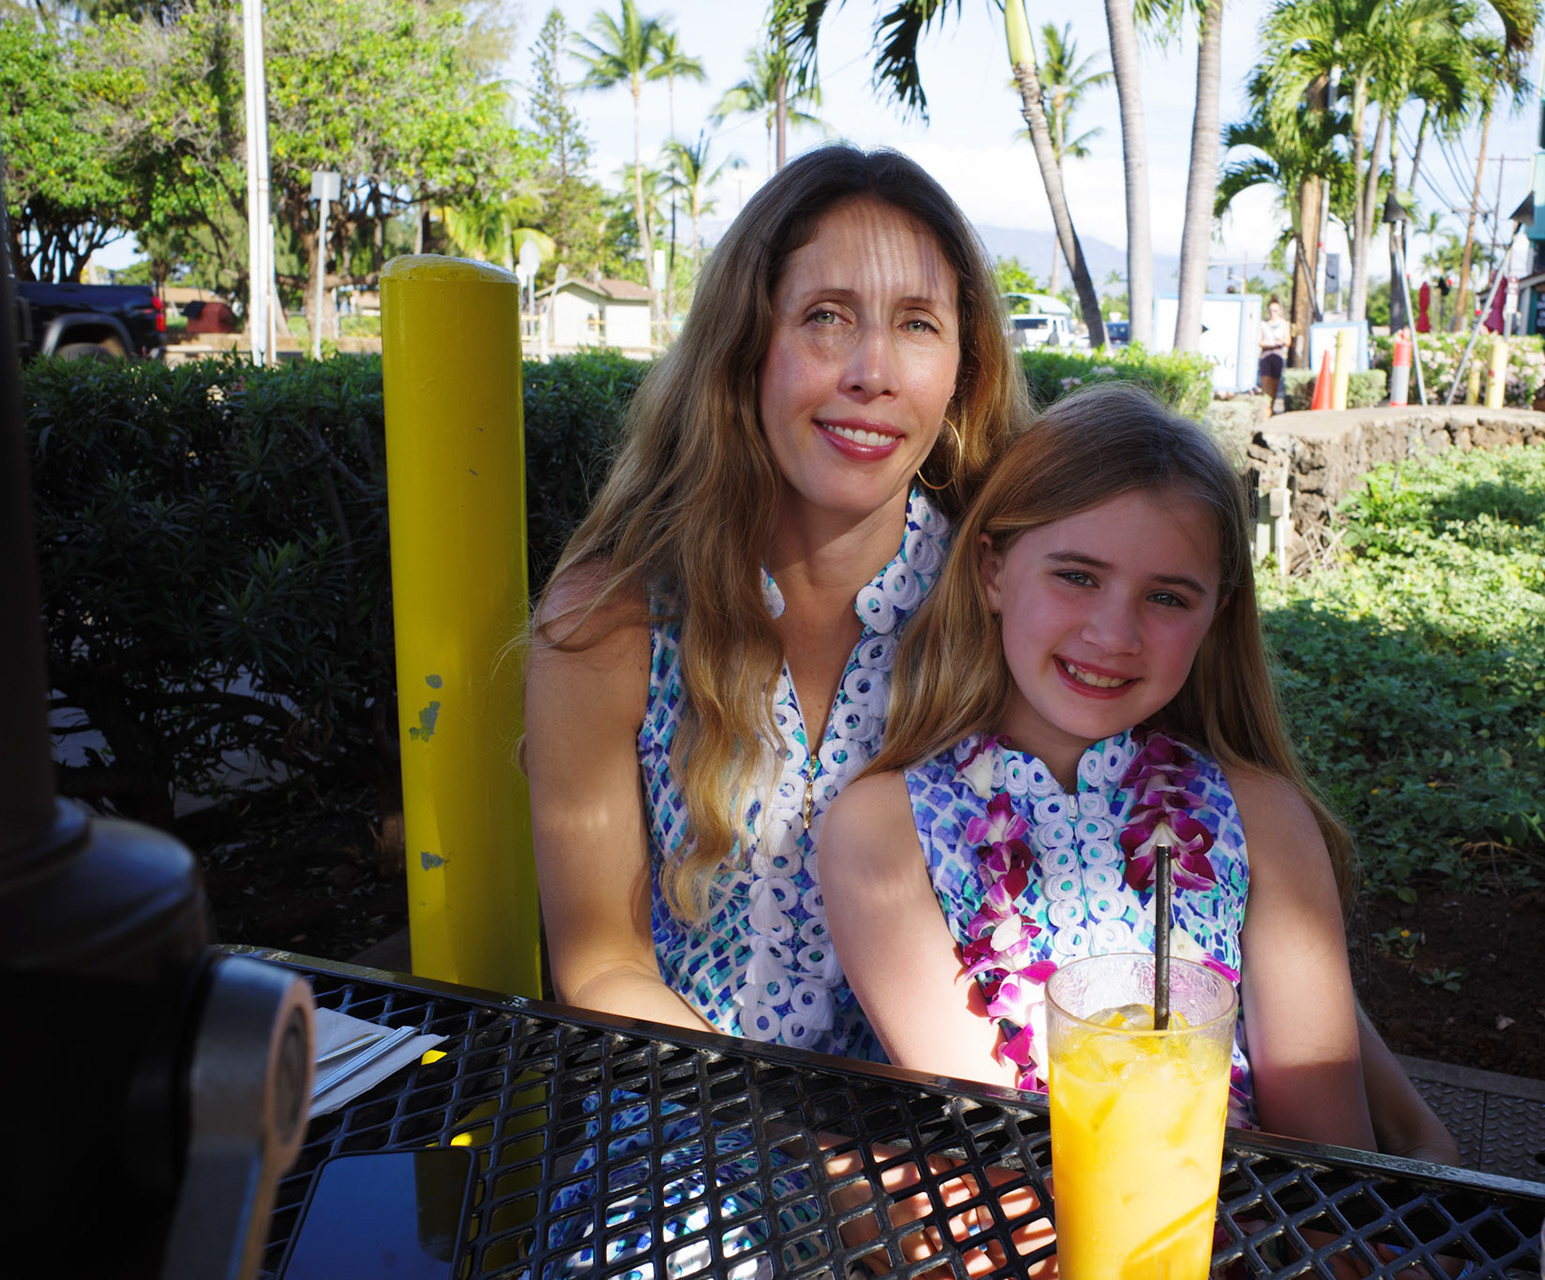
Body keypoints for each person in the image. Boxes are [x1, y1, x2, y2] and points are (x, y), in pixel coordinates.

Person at [526, 141, 1453, 1177]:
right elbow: (602, 962)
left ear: (962, 367)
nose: (871, 371)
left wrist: (1402, 1125)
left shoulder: (1015, 584)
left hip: (965, 1164)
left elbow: (1210, 864)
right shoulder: (614, 620)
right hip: (692, 1134)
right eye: (826, 316)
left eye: (916, 324)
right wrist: (813, 1161)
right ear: (749, 346)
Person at [820, 382, 1370, 1148]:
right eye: (1077, 576)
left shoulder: (1263, 820)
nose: (1114, 634)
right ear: (993, 573)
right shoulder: (883, 835)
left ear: (1215, 615)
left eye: (1168, 598)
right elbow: (1004, 1156)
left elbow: (1331, 1161)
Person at [1257, 297, 1291, 415]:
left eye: (1276, 310)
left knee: (1275, 384)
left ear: (1280, 311)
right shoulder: (1263, 324)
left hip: (1277, 354)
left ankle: (1271, 408)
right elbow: (1259, 341)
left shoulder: (1284, 324)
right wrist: (1268, 344)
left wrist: (1280, 341)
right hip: (1266, 354)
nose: (1273, 313)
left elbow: (1288, 341)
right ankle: (1266, 410)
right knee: (1265, 384)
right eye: (1271, 310)